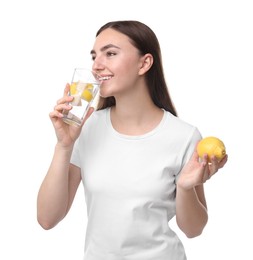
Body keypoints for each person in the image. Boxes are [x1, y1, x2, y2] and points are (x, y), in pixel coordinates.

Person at [37, 20, 228, 260]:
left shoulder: (184, 136)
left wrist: (184, 187)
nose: (97, 65)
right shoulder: (88, 127)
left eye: (111, 53)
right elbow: (47, 219)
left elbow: (194, 229)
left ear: (145, 63)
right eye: (94, 56)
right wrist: (64, 146)